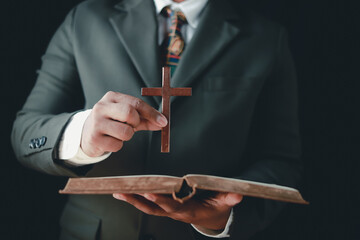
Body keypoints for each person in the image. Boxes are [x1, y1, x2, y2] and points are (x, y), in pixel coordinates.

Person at [11, 0, 303, 239]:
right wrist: (81, 134)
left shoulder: (265, 38)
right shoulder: (86, 18)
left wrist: (223, 215)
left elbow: (280, 159)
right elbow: (26, 133)